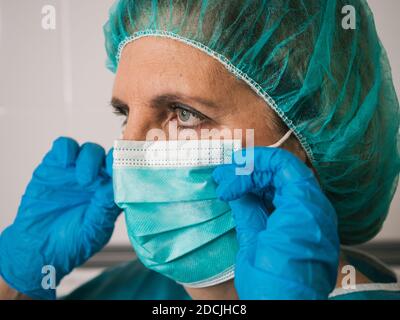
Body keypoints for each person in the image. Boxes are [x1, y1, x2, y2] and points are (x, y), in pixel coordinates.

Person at [0, 0, 399, 300]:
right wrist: (17, 282)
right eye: (125, 114)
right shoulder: (134, 288)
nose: (129, 151)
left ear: (302, 147)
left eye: (184, 114)